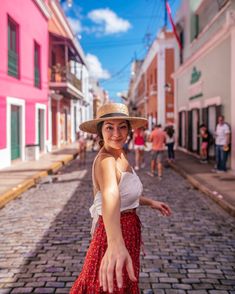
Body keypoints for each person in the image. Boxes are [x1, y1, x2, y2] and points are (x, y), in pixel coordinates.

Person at [70, 103, 171, 294]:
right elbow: (111, 194)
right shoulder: (106, 160)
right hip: (112, 236)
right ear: (100, 132)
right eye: (109, 127)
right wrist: (116, 243)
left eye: (122, 126)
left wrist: (150, 203)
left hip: (129, 232)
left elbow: (124, 194)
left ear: (129, 130)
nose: (116, 133)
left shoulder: (120, 155)